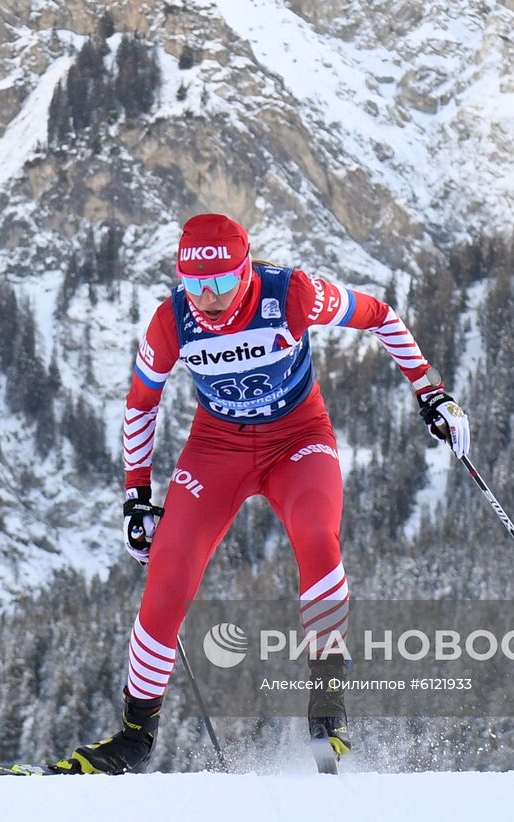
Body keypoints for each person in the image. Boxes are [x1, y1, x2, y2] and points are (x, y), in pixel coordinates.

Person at [51, 213, 471, 774]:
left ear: (246, 271)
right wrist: (136, 497)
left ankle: (326, 705)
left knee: (318, 537)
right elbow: (141, 403)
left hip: (297, 440)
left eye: (222, 283)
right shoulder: (172, 320)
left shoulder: (292, 294)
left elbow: (382, 317)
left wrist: (431, 393)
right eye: (196, 284)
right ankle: (135, 736)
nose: (211, 297)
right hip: (217, 449)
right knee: (169, 574)